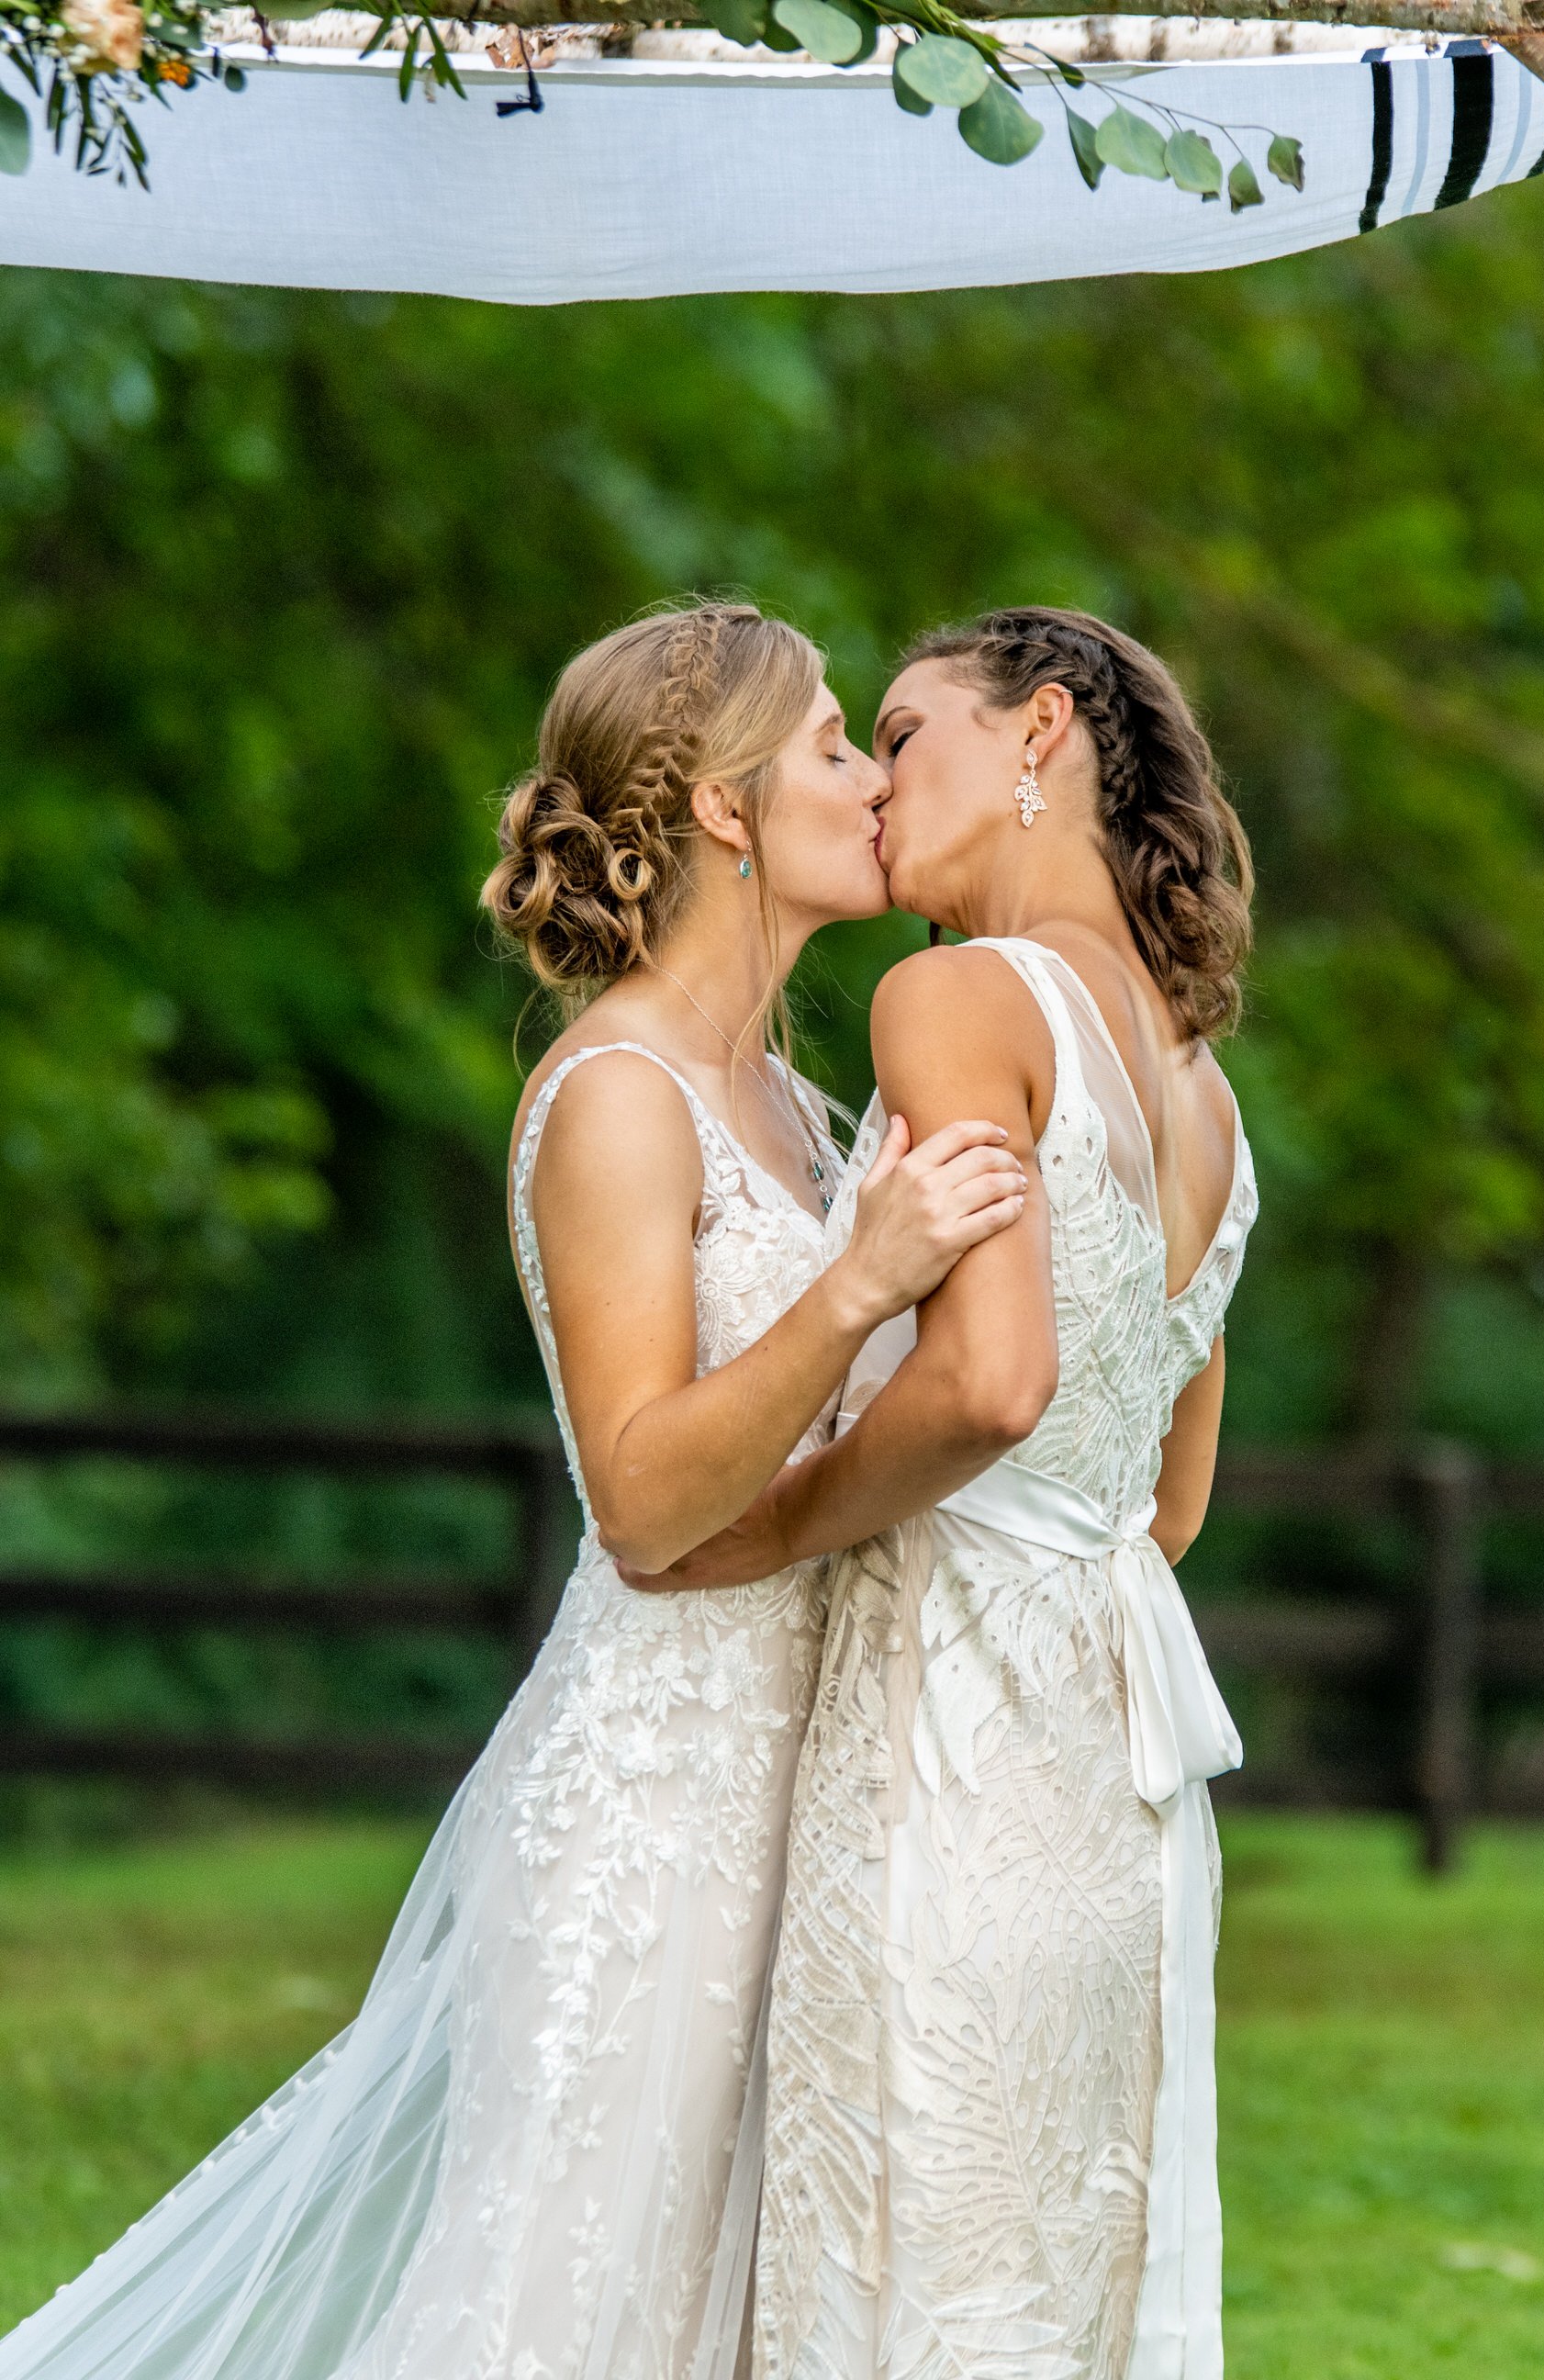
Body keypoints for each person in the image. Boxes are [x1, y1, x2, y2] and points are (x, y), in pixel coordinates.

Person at [0, 603, 1025, 2380]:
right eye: (840, 745)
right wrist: (857, 1287)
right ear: (722, 805)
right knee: (562, 2317)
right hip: (654, 1806)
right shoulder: (615, 1098)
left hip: (812, 1784)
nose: (874, 784)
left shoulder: (788, 1099)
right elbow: (638, 1500)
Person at [621, 607, 1259, 2380]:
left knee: (896, 2248)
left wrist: (781, 1522)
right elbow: (1168, 1502)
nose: (880, 781)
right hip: (1112, 1763)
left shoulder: (954, 996)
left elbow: (992, 1384)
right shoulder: (1208, 1095)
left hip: (949, 1728)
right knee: (1046, 2269)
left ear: (1039, 731)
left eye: (902, 734)